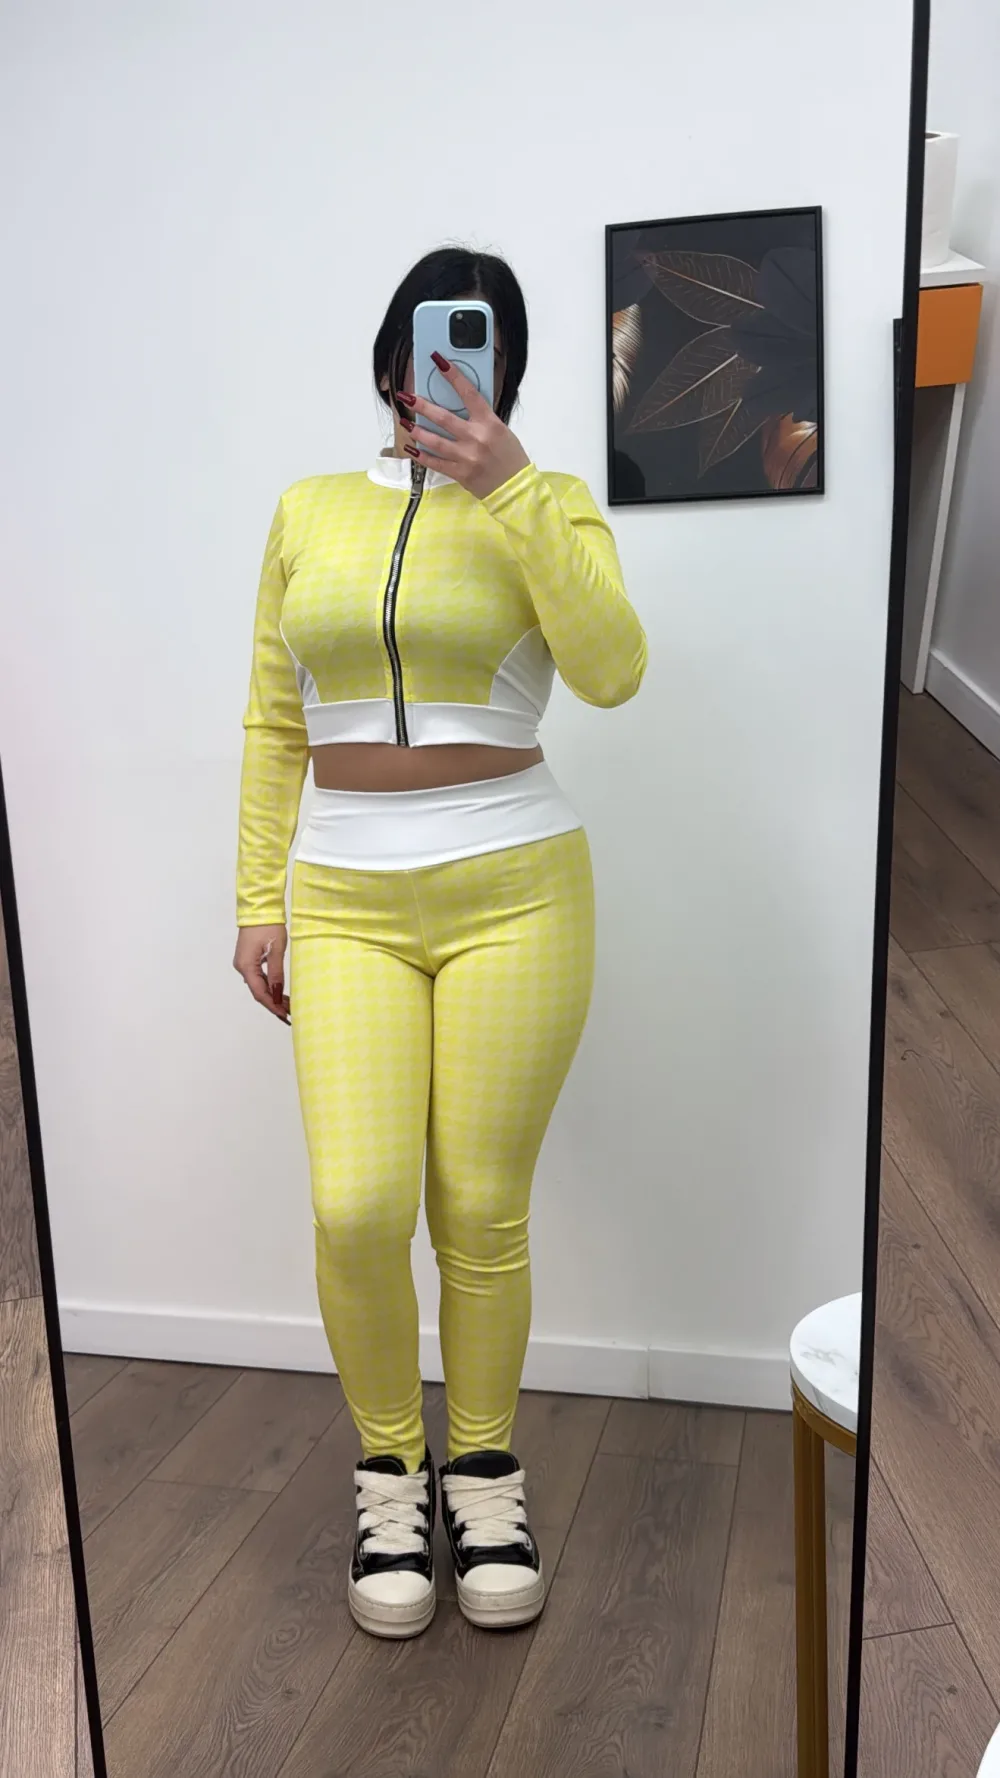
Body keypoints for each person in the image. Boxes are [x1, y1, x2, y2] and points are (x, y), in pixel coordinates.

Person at [233, 246, 647, 1640]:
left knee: (478, 1203)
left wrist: (510, 485)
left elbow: (613, 670)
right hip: (345, 896)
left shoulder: (551, 502)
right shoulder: (306, 510)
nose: (452, 368)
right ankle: (387, 1473)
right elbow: (273, 719)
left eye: (481, 348)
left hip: (517, 891)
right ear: (392, 358)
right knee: (358, 1206)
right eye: (431, 342)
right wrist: (257, 896)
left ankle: (481, 1474)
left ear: (504, 371)